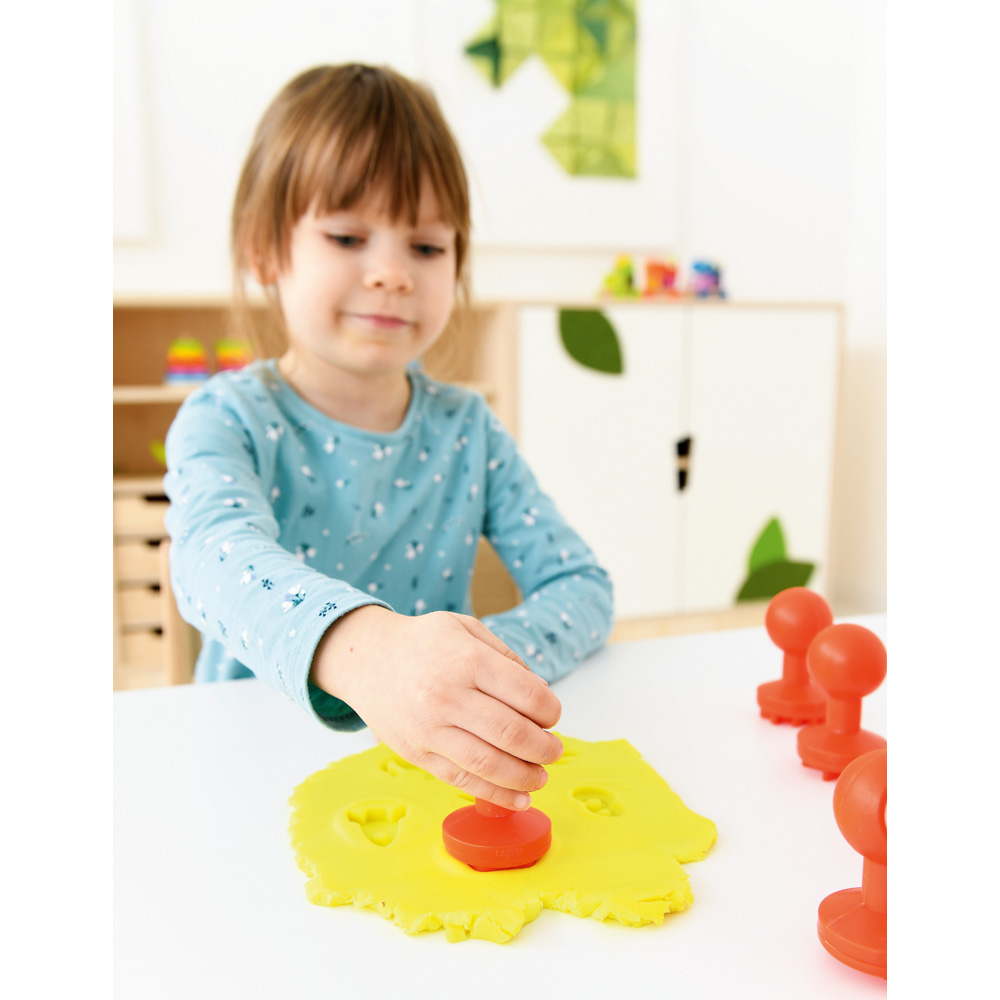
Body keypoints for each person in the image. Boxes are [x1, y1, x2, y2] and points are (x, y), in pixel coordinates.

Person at [164, 63, 614, 810]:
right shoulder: (225, 417)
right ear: (264, 250)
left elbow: (581, 587)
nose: (393, 274)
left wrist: (474, 676)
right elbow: (210, 560)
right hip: (252, 780)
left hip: (428, 776)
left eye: (428, 247)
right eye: (347, 236)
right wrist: (369, 657)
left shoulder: (469, 429)